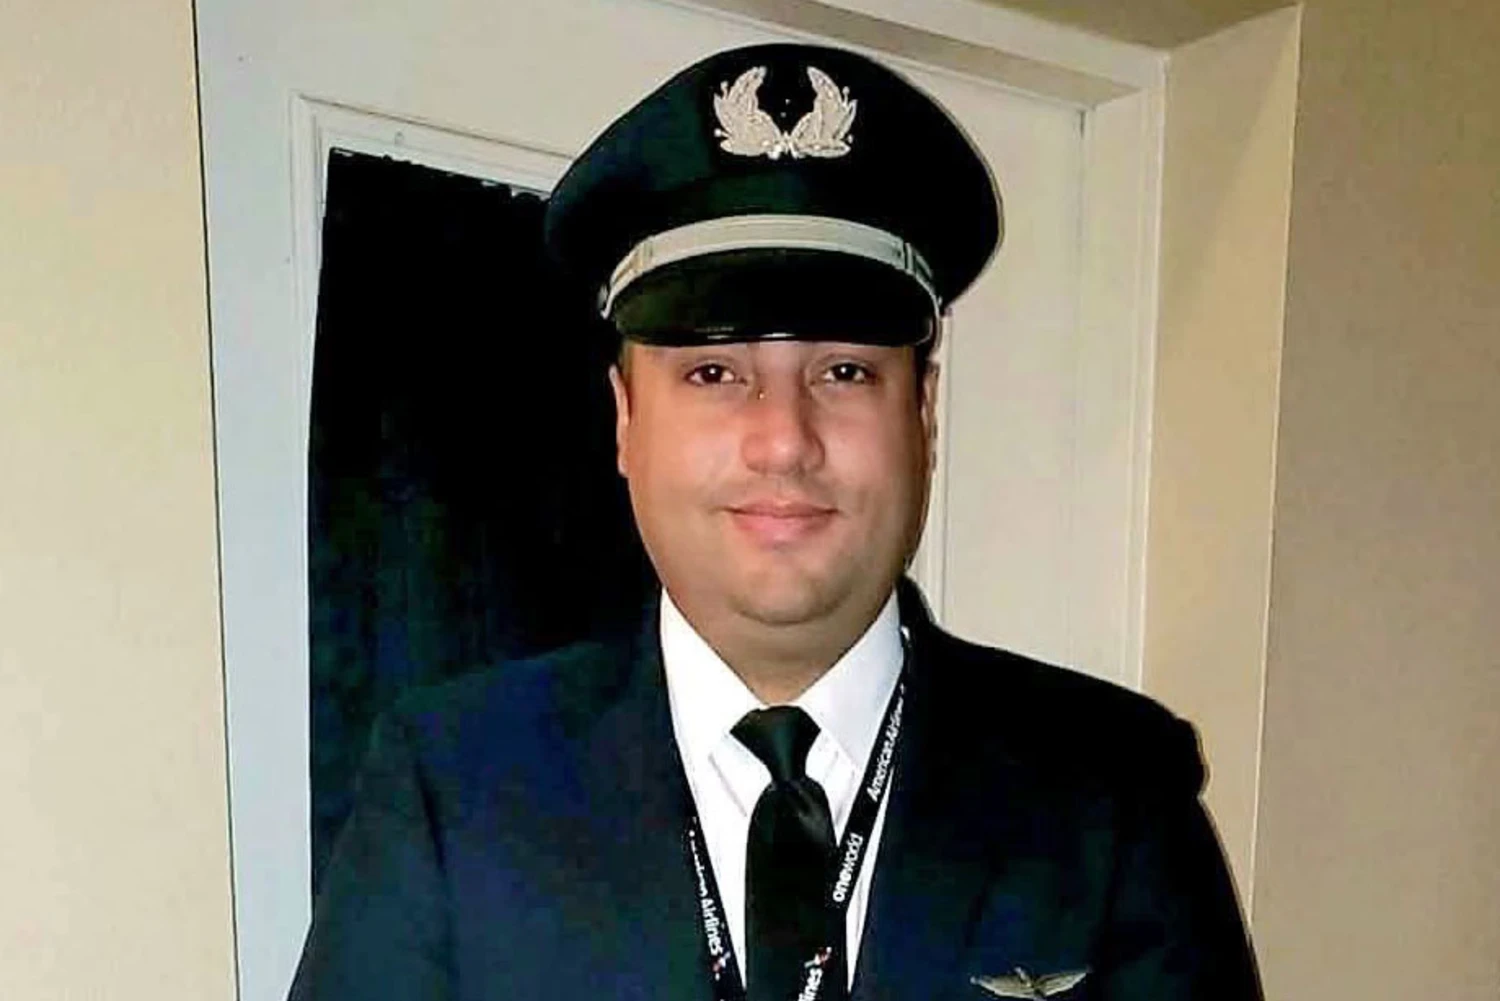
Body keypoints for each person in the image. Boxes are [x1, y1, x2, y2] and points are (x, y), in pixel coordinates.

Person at [288, 42, 1262, 1001]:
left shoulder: (1109, 793)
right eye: (715, 372)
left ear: (921, 413)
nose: (785, 441)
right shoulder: (454, 785)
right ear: (625, 418)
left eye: (845, 372)